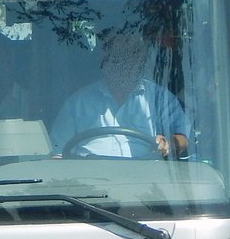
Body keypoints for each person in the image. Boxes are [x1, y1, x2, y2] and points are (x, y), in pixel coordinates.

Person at [50, 29, 190, 158]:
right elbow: (58, 152)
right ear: (105, 62)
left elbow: (183, 138)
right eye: (116, 58)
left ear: (141, 62)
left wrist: (169, 144)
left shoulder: (159, 98)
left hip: (146, 177)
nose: (123, 65)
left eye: (131, 57)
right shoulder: (78, 102)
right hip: (87, 178)